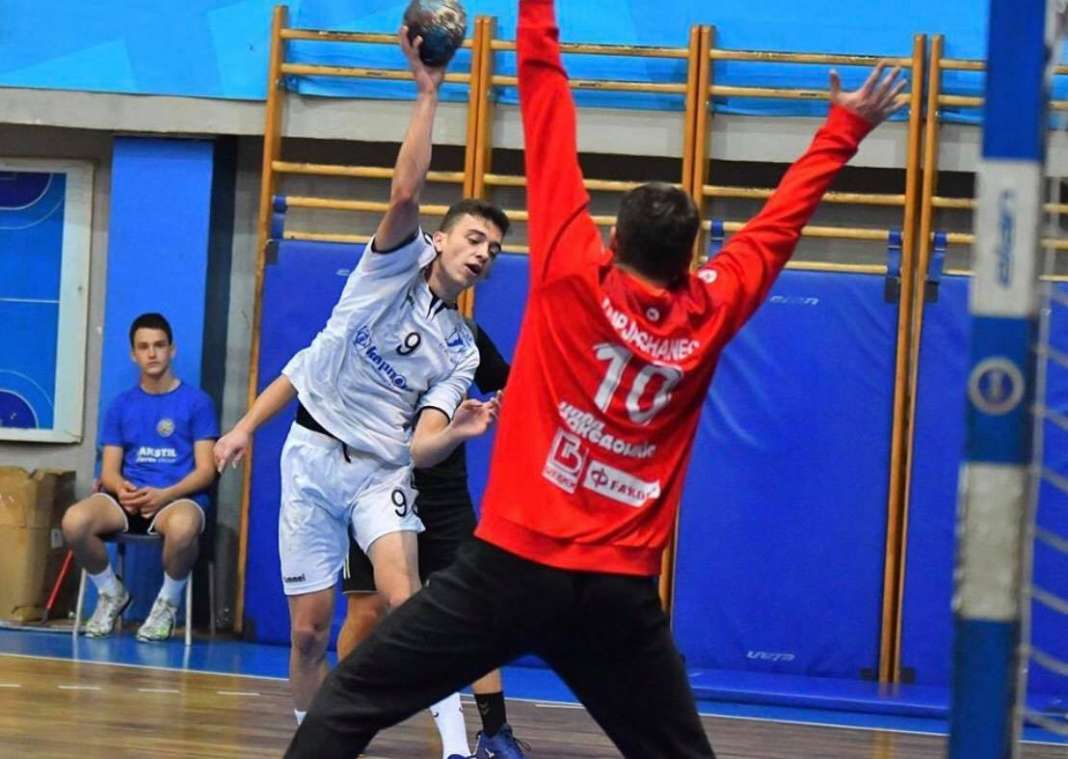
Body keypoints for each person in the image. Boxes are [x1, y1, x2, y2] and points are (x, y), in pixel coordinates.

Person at [285, 1, 904, 756]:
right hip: (615, 591)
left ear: (613, 238)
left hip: (511, 568)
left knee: (350, 699)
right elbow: (777, 227)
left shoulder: (573, 273)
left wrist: (535, 12)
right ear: (693, 259)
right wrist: (845, 129)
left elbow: (546, 98)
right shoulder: (711, 309)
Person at [213, 27, 509, 759]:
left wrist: (458, 431)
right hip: (313, 458)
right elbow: (406, 190)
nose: (483, 254)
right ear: (441, 240)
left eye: (495, 250)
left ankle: (457, 748)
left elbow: (423, 444)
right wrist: (429, 92)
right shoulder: (391, 265)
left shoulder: (462, 348)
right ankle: (313, 742)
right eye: (475, 239)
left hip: (382, 473)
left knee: (408, 604)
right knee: (309, 631)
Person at [338, 320, 527, 758]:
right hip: (376, 487)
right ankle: (343, 718)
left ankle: (494, 733)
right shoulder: (375, 320)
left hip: (444, 498)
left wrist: (512, 404)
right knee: (366, 611)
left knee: (473, 615)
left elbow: (507, 382)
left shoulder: (465, 334)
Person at [62, 312, 218, 642]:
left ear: (172, 350)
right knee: (74, 521)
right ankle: (111, 592)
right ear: (134, 354)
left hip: (176, 500)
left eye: (159, 345)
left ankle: (167, 604)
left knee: (183, 528)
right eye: (144, 347)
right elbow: (109, 471)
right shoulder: (121, 406)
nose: (152, 353)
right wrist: (121, 489)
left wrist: (165, 495)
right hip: (128, 500)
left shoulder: (197, 403)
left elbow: (206, 470)